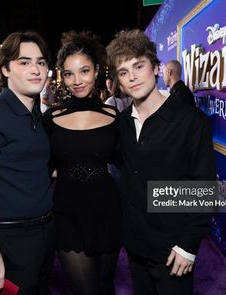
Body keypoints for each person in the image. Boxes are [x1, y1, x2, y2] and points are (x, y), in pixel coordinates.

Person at [106, 29, 215, 295]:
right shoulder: (121, 124)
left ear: (155, 68)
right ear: (118, 81)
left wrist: (188, 246)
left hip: (173, 249)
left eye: (138, 66)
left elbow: (204, 186)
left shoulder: (191, 121)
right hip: (135, 246)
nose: (132, 77)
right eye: (123, 72)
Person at [43, 31, 121, 295]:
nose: (77, 81)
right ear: (61, 76)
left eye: (84, 71)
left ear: (97, 70)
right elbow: (41, 167)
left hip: (107, 211)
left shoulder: (113, 114)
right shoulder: (51, 118)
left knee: (105, 286)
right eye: (69, 73)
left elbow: (128, 162)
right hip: (67, 215)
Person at [0, 31, 55, 295]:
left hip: (45, 232)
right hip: (10, 239)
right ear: (5, 68)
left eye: (40, 62)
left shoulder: (37, 115)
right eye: (24, 62)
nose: (35, 70)